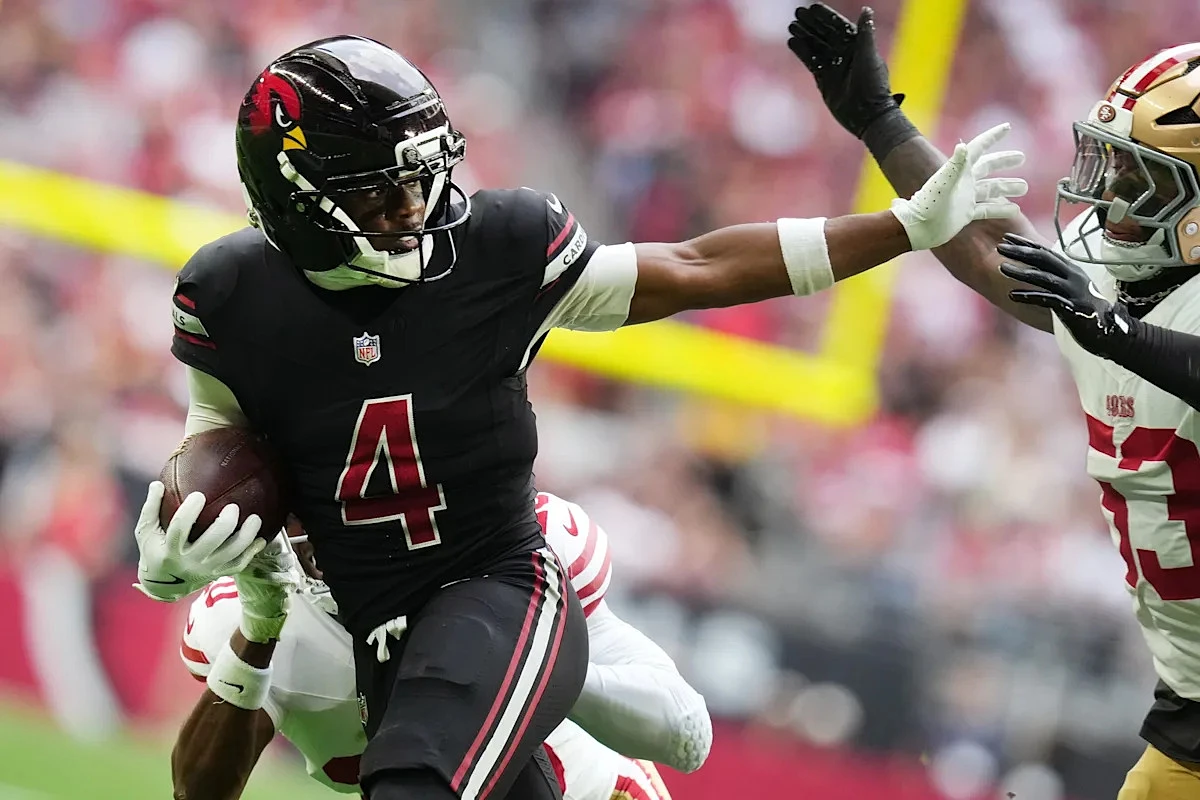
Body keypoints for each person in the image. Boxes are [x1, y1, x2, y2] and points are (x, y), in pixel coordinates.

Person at [131, 32, 1025, 800]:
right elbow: (214, 439)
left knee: (417, 780)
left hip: (490, 584)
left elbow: (696, 267)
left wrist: (902, 227)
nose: (416, 209)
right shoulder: (232, 295)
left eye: (422, 177)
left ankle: (561, 691)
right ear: (295, 196)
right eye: (380, 192)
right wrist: (175, 534)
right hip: (363, 618)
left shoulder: (496, 250)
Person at [788, 4, 1200, 797]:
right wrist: (879, 122)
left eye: (1144, 179)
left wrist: (1114, 329)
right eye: (1114, 167)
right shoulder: (1119, 289)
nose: (1112, 196)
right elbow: (984, 247)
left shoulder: (1132, 313)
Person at [169, 493, 701, 800]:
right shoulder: (254, 614)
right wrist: (259, 628)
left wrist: (529, 659)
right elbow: (198, 793)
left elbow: (687, 735)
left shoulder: (513, 542)